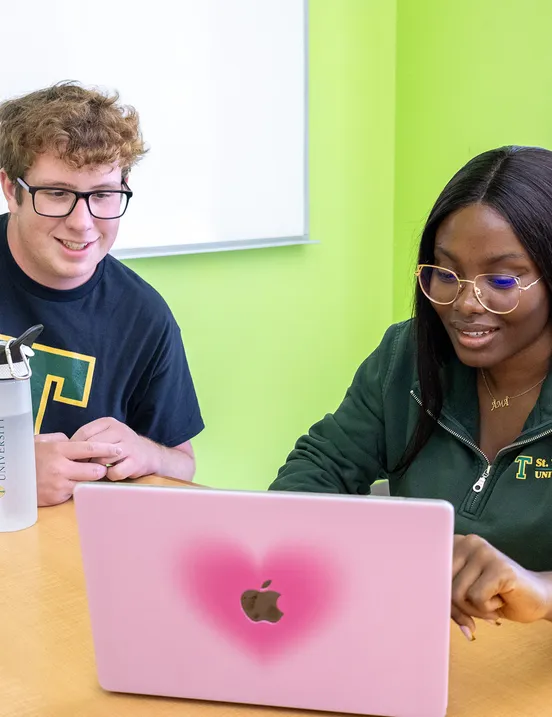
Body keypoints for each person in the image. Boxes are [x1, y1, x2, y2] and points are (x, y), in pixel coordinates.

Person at [269, 145, 552, 640]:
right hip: (419, 649)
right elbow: (318, 470)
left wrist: (540, 590)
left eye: (503, 279)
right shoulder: (408, 354)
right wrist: (377, 555)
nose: (465, 303)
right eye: (445, 274)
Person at [0, 82, 204, 507]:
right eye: (56, 193)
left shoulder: (143, 315)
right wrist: (10, 471)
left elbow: (182, 463)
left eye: (103, 195)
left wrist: (143, 451)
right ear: (10, 189)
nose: (83, 222)